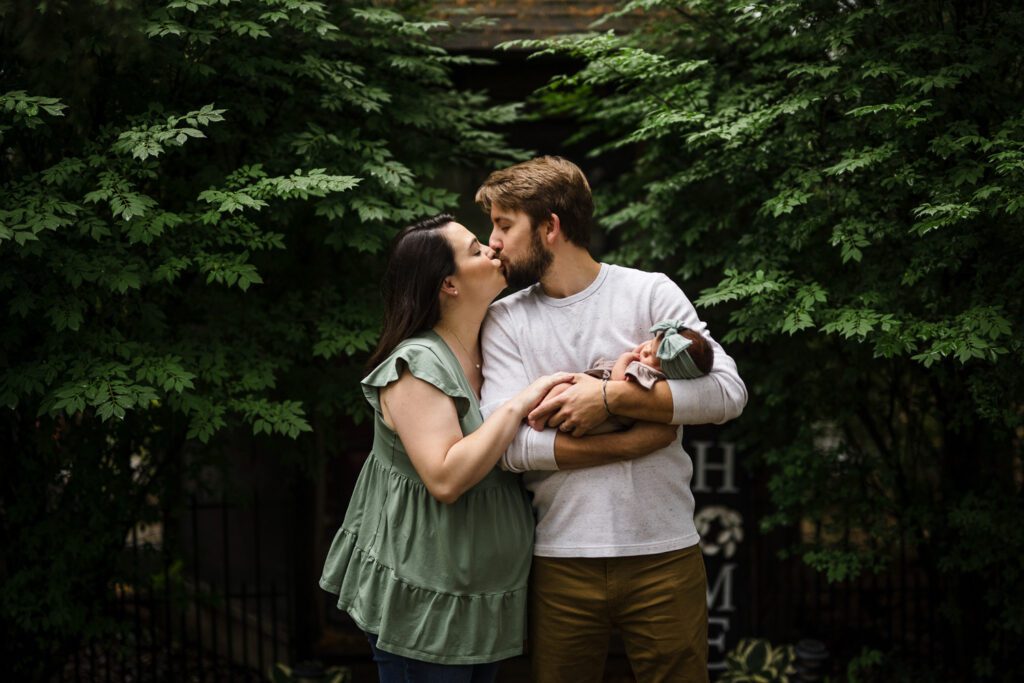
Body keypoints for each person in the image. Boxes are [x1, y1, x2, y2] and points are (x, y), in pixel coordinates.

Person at [318, 214, 676, 683]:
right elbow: (446, 477)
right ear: (448, 284)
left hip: (482, 598)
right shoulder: (416, 366)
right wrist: (522, 401)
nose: (492, 248)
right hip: (428, 594)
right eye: (474, 249)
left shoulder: (493, 349)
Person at [476, 157, 748, 683]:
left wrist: (610, 400)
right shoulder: (505, 321)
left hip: (665, 553)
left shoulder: (648, 293)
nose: (493, 243)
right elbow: (507, 448)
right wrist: (627, 444)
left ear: (550, 227)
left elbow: (727, 392)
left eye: (504, 225)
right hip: (560, 557)